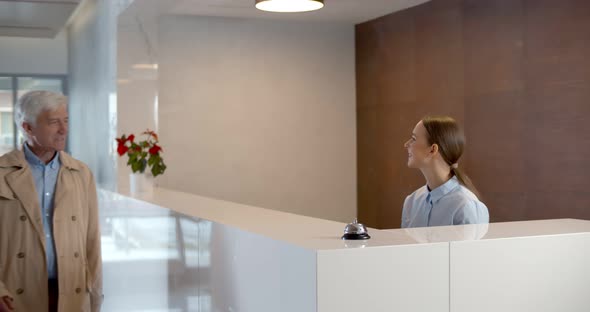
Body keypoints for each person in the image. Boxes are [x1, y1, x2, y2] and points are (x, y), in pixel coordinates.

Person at [0, 90, 103, 312]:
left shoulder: (81, 173)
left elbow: (92, 241)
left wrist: (95, 299)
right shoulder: (1, 173)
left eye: (65, 121)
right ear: (27, 127)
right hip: (16, 293)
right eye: (54, 122)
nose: (64, 130)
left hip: (71, 290)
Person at [401, 115, 489, 228]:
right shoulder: (411, 202)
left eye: (414, 139)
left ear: (433, 149)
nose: (406, 144)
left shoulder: (466, 206)